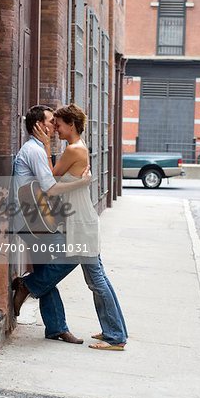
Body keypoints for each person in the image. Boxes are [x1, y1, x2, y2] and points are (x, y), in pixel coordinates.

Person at [32, 104, 128, 350]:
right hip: (81, 219)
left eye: (59, 125)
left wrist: (44, 145)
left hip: (81, 222)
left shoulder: (74, 150)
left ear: (71, 125)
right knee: (98, 277)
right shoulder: (75, 148)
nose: (55, 129)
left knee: (96, 279)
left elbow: (50, 176)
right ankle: (115, 330)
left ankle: (115, 337)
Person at [12, 105, 91, 344]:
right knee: (74, 255)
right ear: (38, 125)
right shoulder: (34, 151)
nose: (54, 125)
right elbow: (51, 187)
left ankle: (56, 327)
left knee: (47, 273)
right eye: (50, 121)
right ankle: (26, 285)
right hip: (33, 222)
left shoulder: (38, 149)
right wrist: (81, 183)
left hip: (36, 219)